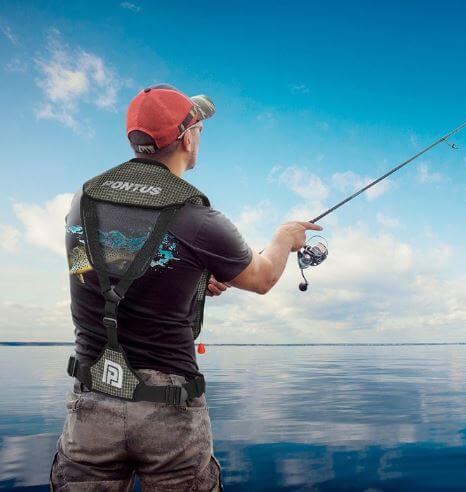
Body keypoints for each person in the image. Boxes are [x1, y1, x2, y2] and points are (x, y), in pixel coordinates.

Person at [51, 84, 321, 491]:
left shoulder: (82, 200)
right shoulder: (200, 219)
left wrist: (189, 278)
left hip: (92, 398)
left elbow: (88, 268)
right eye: (199, 129)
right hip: (169, 409)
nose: (199, 137)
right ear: (187, 139)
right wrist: (284, 238)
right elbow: (263, 278)